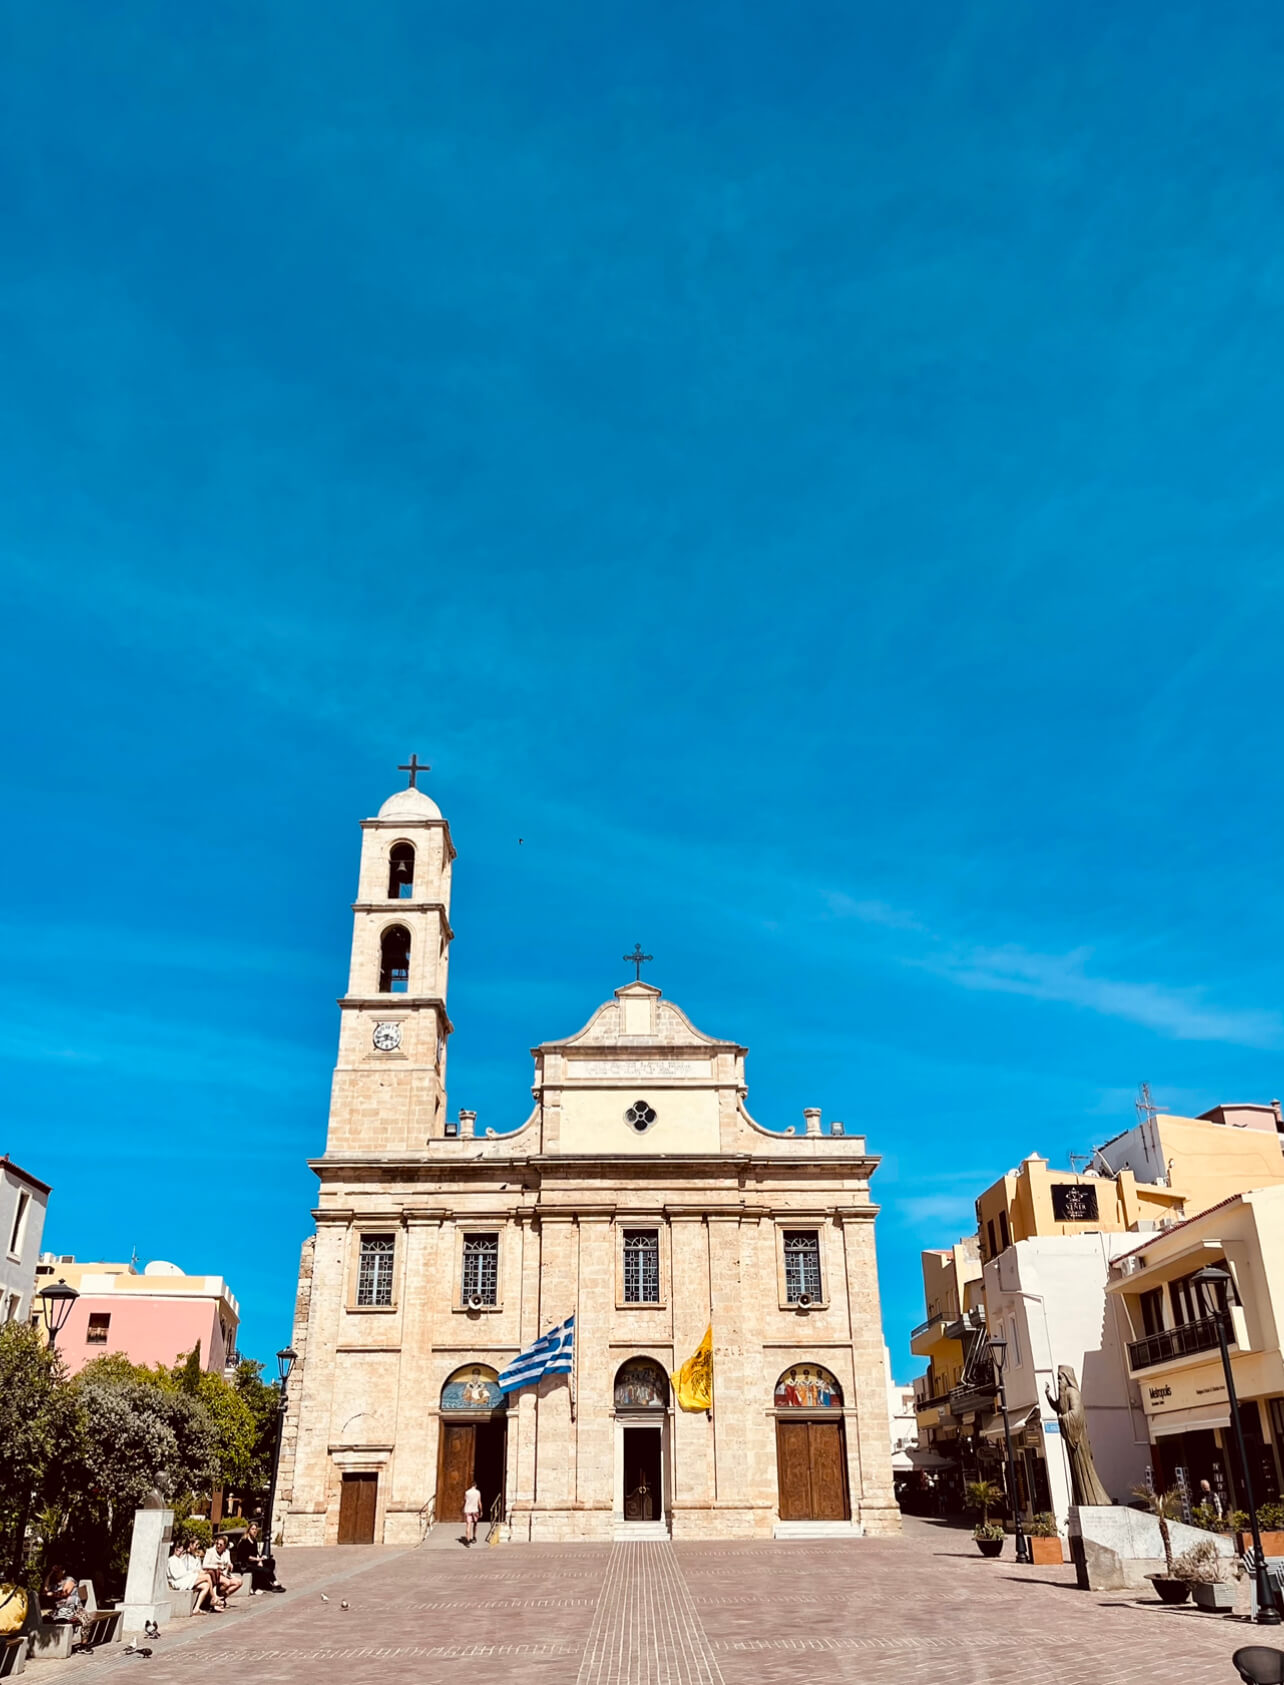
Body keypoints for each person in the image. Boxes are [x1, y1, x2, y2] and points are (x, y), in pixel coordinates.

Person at [231, 1523, 286, 1594]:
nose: (254, 1531)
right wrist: (258, 1560)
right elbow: (246, 1557)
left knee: (271, 1561)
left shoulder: (254, 1541)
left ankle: (266, 1582)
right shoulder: (244, 1541)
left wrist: (260, 1559)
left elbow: (256, 1553)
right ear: (249, 1530)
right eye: (252, 1529)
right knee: (265, 1570)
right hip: (245, 1564)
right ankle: (274, 1583)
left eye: (255, 1530)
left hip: (254, 1561)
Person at [167, 1542, 218, 1613]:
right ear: (174, 1549)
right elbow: (176, 1576)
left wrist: (192, 1573)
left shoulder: (178, 1559)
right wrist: (191, 1573)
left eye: (180, 1548)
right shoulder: (171, 1560)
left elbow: (184, 1572)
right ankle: (214, 1597)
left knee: (206, 1585)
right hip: (178, 1582)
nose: (179, 1550)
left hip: (184, 1579)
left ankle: (196, 1608)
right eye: (178, 1549)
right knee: (207, 1576)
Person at [202, 1535, 242, 1604]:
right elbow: (204, 1565)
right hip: (214, 1574)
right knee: (227, 1583)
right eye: (217, 1544)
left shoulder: (227, 1552)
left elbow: (228, 1562)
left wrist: (230, 1565)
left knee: (239, 1582)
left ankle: (223, 1596)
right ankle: (216, 1596)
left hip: (225, 1574)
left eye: (221, 1545)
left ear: (224, 1546)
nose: (218, 1546)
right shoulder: (210, 1551)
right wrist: (216, 1567)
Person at [42, 1567, 85, 1632]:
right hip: (59, 1609)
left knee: (59, 1620)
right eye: (54, 1572)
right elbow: (45, 1590)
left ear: (63, 1571)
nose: (55, 1573)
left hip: (71, 1608)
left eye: (57, 1571)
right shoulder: (55, 1584)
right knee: (45, 1620)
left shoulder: (70, 1580)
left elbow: (65, 1593)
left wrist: (52, 1594)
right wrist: (49, 1574)